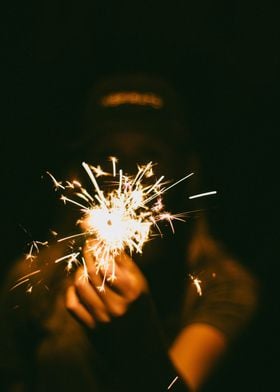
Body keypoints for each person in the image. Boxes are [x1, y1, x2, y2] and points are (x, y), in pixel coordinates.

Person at [0, 73, 257, 391]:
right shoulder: (36, 278)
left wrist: (137, 339)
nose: (126, 173)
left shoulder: (223, 285)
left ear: (181, 169)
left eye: (149, 154)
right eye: (109, 154)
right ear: (83, 171)